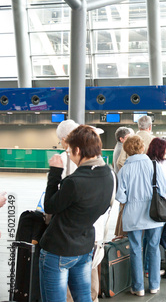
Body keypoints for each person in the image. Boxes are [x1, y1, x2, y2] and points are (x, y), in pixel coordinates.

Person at [39, 125, 114, 302]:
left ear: (78, 150)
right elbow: (104, 208)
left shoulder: (74, 182)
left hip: (59, 249)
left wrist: (55, 174)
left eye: (70, 151)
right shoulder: (108, 174)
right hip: (84, 247)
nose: (69, 155)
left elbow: (49, 206)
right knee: (83, 298)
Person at [116, 135, 166, 296]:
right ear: (142, 148)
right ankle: (154, 284)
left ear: (126, 151)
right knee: (154, 248)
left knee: (135, 249)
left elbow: (120, 197)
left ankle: (138, 287)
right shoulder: (155, 166)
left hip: (132, 215)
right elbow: (164, 190)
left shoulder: (124, 170)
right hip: (154, 213)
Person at [144, 137, 166, 277]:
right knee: (153, 240)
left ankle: (148, 267)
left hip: (158, 202)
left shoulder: (164, 161)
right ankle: (150, 269)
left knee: (150, 239)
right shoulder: (153, 164)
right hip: (158, 203)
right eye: (165, 149)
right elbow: (164, 187)